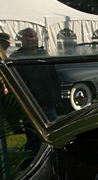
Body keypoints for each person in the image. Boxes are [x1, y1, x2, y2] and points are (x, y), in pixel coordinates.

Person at [12, 27, 61, 158]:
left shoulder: (43, 55)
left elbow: (53, 76)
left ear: (37, 39)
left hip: (48, 103)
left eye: (32, 37)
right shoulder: (16, 58)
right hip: (30, 105)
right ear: (21, 40)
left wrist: (57, 97)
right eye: (27, 37)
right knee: (35, 137)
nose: (30, 39)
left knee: (53, 136)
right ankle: (31, 161)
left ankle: (51, 158)